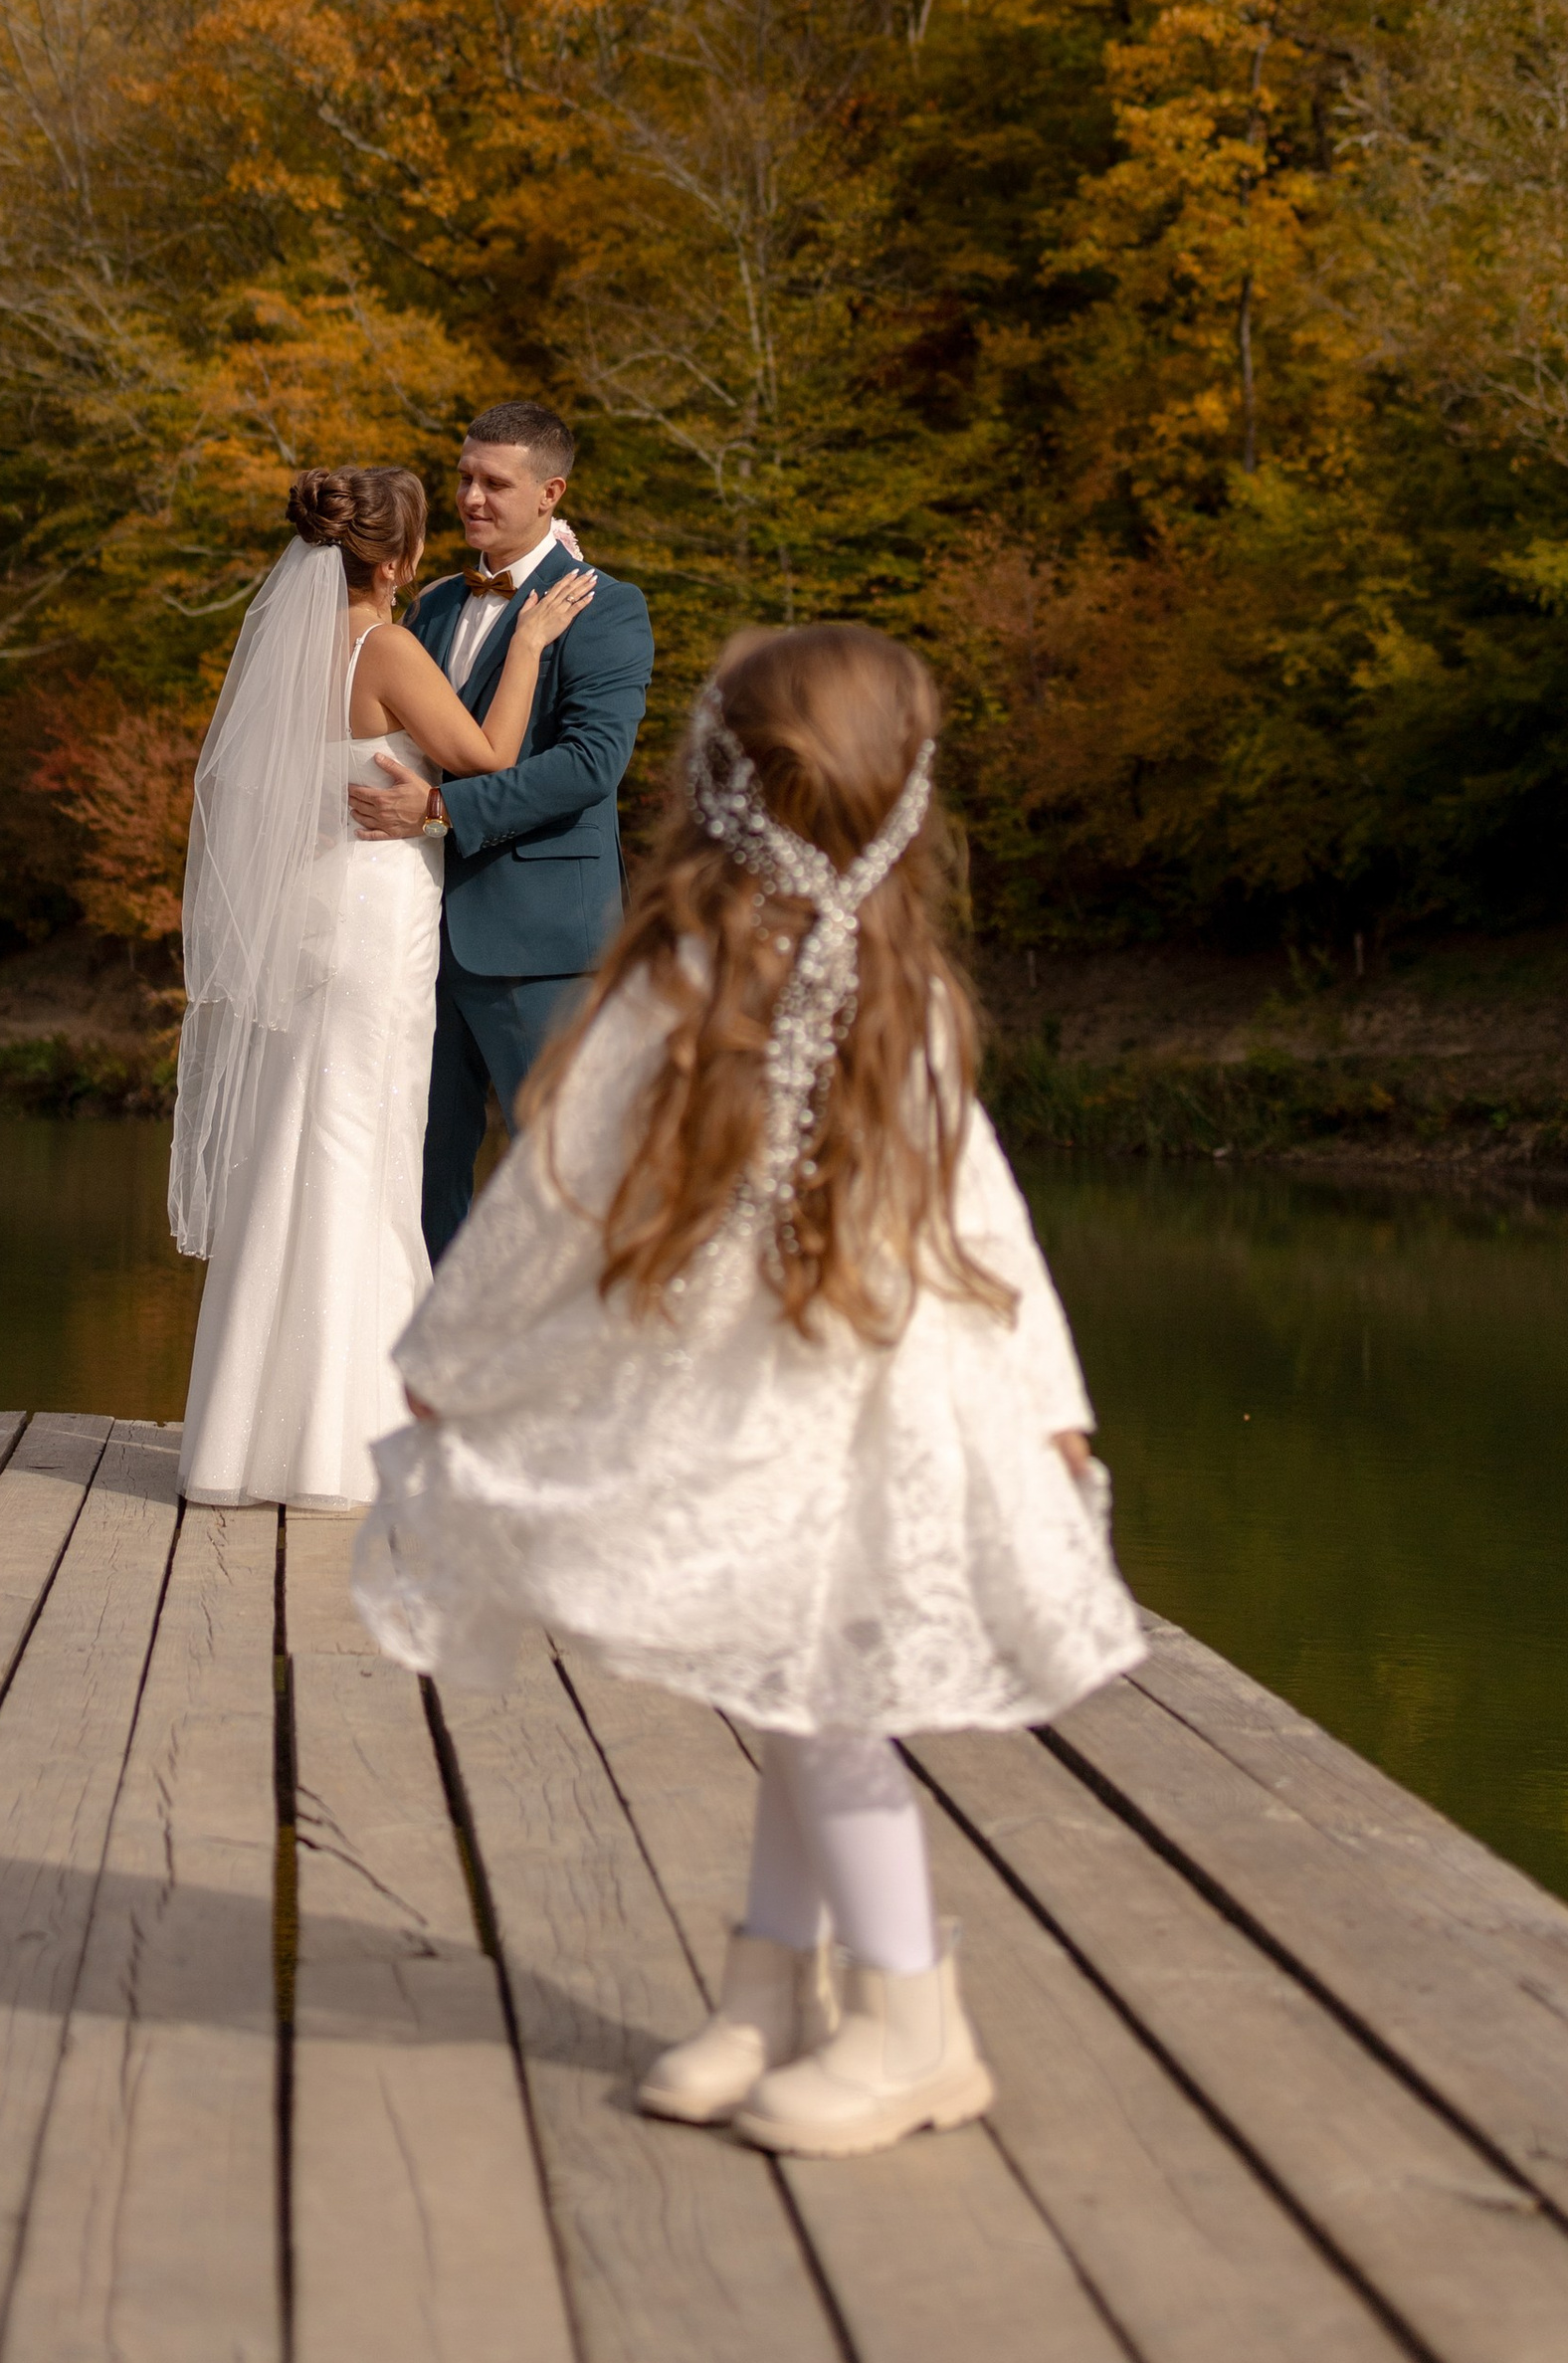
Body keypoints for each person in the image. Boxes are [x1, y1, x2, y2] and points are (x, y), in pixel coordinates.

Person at [351, 623, 1142, 2159]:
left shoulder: (892, 996)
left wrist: (1047, 1394)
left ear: (713, 790)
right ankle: (772, 1990)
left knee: (830, 1712)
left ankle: (916, 2026)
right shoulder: (690, 984)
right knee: (793, 1693)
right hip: (758, 1409)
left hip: (883, 1416)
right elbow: (562, 1191)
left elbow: (977, 1208)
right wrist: (456, 1365)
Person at [170, 462, 596, 1509]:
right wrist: (533, 643)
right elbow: (490, 755)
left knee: (300, 1139)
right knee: (363, 1145)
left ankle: (243, 1442)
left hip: (309, 916)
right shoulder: (385, 646)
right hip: (373, 923)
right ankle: (341, 1447)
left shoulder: (283, 652)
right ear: (400, 561)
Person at [347, 402, 655, 1259]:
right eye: (463, 478)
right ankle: (436, 1382)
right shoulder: (437, 604)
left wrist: (444, 811)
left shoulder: (609, 610)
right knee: (417, 1175)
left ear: (552, 492)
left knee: (561, 1181)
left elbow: (592, 764)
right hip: (413, 931)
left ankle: (563, 1385)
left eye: (495, 482)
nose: (471, 498)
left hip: (543, 942)